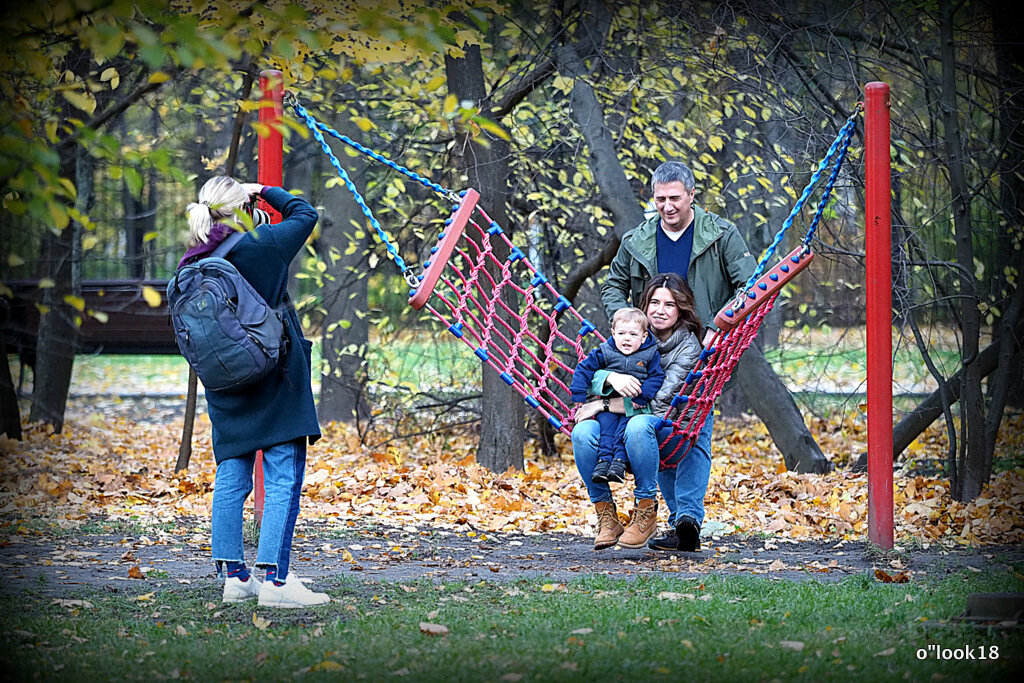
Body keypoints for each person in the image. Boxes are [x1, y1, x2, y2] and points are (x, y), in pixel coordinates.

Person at [179, 176, 328, 607]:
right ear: (243, 207)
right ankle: (277, 584)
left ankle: (235, 579)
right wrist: (263, 189)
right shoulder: (263, 244)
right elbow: (305, 213)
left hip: (225, 382)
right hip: (275, 377)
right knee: (283, 476)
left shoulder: (193, 260)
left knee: (232, 474)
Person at [597, 160, 757, 551]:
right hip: (649, 353)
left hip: (703, 350)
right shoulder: (638, 240)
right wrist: (628, 324)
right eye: (659, 199)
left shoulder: (720, 234)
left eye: (674, 198)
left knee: (694, 426)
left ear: (691, 195)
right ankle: (679, 521)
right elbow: (612, 286)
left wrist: (722, 324)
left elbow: (750, 284)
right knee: (657, 428)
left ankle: (687, 517)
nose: (667, 206)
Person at [572, 274, 703, 550]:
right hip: (618, 422)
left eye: (669, 304)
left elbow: (658, 403)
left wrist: (601, 404)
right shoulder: (631, 331)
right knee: (582, 432)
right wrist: (609, 378)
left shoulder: (688, 348)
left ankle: (645, 510)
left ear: (681, 309)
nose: (659, 310)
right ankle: (606, 515)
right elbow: (594, 368)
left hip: (668, 425)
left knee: (638, 424)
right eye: (654, 302)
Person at [570, 307, 665, 484]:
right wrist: (578, 394)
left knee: (624, 432)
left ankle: (618, 463)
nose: (626, 338)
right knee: (606, 430)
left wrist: (642, 397)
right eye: (621, 333)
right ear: (613, 333)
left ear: (644, 337)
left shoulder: (650, 354)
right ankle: (604, 462)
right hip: (609, 405)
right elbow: (584, 369)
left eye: (633, 335)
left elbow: (656, 377)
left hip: (634, 407)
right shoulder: (605, 351)